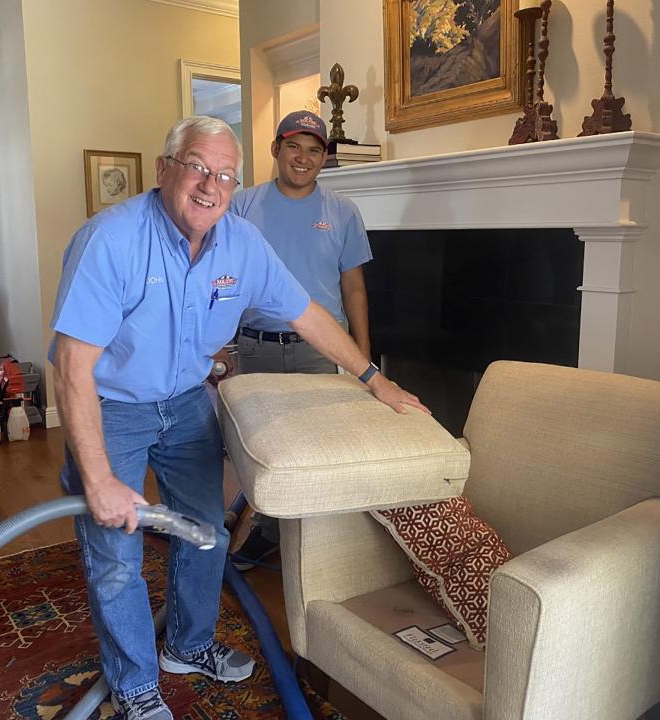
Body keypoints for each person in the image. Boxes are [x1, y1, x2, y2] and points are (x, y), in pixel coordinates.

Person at [49, 115, 427, 720]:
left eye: (224, 175)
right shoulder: (112, 239)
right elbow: (71, 367)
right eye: (198, 167)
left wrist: (371, 377)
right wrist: (96, 478)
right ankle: (134, 687)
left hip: (186, 400)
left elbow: (308, 315)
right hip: (110, 406)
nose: (210, 186)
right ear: (164, 168)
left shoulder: (241, 243)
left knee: (205, 531)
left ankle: (188, 645)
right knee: (115, 550)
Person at [226, 110, 371, 571]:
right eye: (294, 146)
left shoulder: (343, 212)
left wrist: (361, 356)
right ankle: (250, 508)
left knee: (313, 445)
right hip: (256, 346)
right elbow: (220, 279)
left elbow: (354, 288)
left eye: (314, 150)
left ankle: (273, 534)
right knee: (264, 443)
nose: (303, 158)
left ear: (324, 158)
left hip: (319, 351)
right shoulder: (241, 206)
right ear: (276, 149)